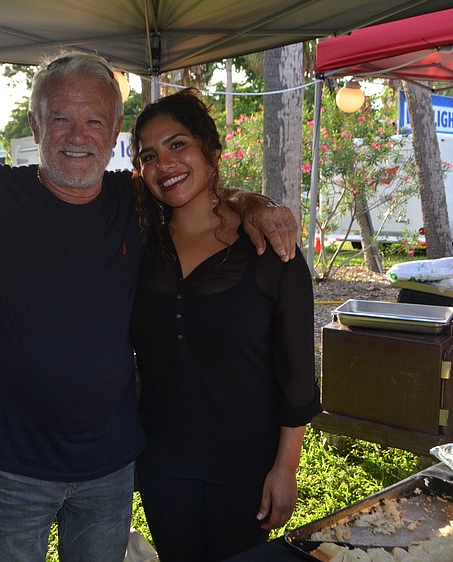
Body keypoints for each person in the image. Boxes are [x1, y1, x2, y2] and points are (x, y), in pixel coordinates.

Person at [0, 53, 299, 561]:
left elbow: (198, 188)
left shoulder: (134, 202)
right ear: (36, 125)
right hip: (13, 465)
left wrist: (252, 202)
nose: (77, 135)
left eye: (94, 121)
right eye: (61, 118)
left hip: (110, 465)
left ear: (114, 135)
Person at [128, 88, 322, 561]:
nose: (165, 164)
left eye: (178, 145)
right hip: (161, 465)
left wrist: (286, 468)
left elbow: (297, 374)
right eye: (148, 156)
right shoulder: (137, 244)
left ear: (211, 151)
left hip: (245, 467)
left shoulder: (271, 252)